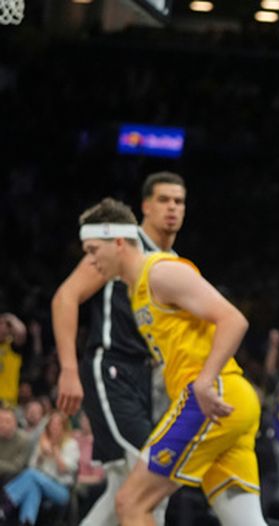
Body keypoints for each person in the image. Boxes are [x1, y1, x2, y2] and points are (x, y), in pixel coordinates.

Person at [76, 197, 266, 525]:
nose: (90, 261)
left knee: (131, 502)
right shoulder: (137, 290)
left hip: (210, 397)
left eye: (93, 250)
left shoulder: (161, 271)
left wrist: (205, 380)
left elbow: (233, 319)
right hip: (230, 404)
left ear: (118, 242)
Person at [52, 171, 185, 525]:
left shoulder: (170, 260)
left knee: (121, 491)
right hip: (110, 367)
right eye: (164, 200)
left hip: (142, 378)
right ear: (145, 206)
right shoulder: (121, 242)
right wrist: (67, 368)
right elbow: (66, 296)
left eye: (179, 201)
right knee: (153, 478)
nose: (172, 208)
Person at [0, 411, 79, 526]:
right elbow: (32, 465)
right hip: (40, 483)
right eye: (52, 424)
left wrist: (55, 451)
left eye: (58, 425)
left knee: (31, 475)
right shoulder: (43, 442)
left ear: (64, 427)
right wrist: (41, 456)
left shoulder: (71, 444)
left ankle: (5, 507)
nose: (54, 427)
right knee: (33, 486)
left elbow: (65, 470)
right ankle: (26, 522)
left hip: (61, 489)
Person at [0, 312, 27, 407]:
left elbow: (22, 332)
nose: (2, 328)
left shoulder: (13, 346)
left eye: (5, 326)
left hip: (8, 401)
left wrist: (10, 318)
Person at [0, 406, 32, 484]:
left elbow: (16, 468)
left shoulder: (25, 440)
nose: (2, 425)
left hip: (13, 480)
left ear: (15, 423)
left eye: (7, 421)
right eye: (0, 421)